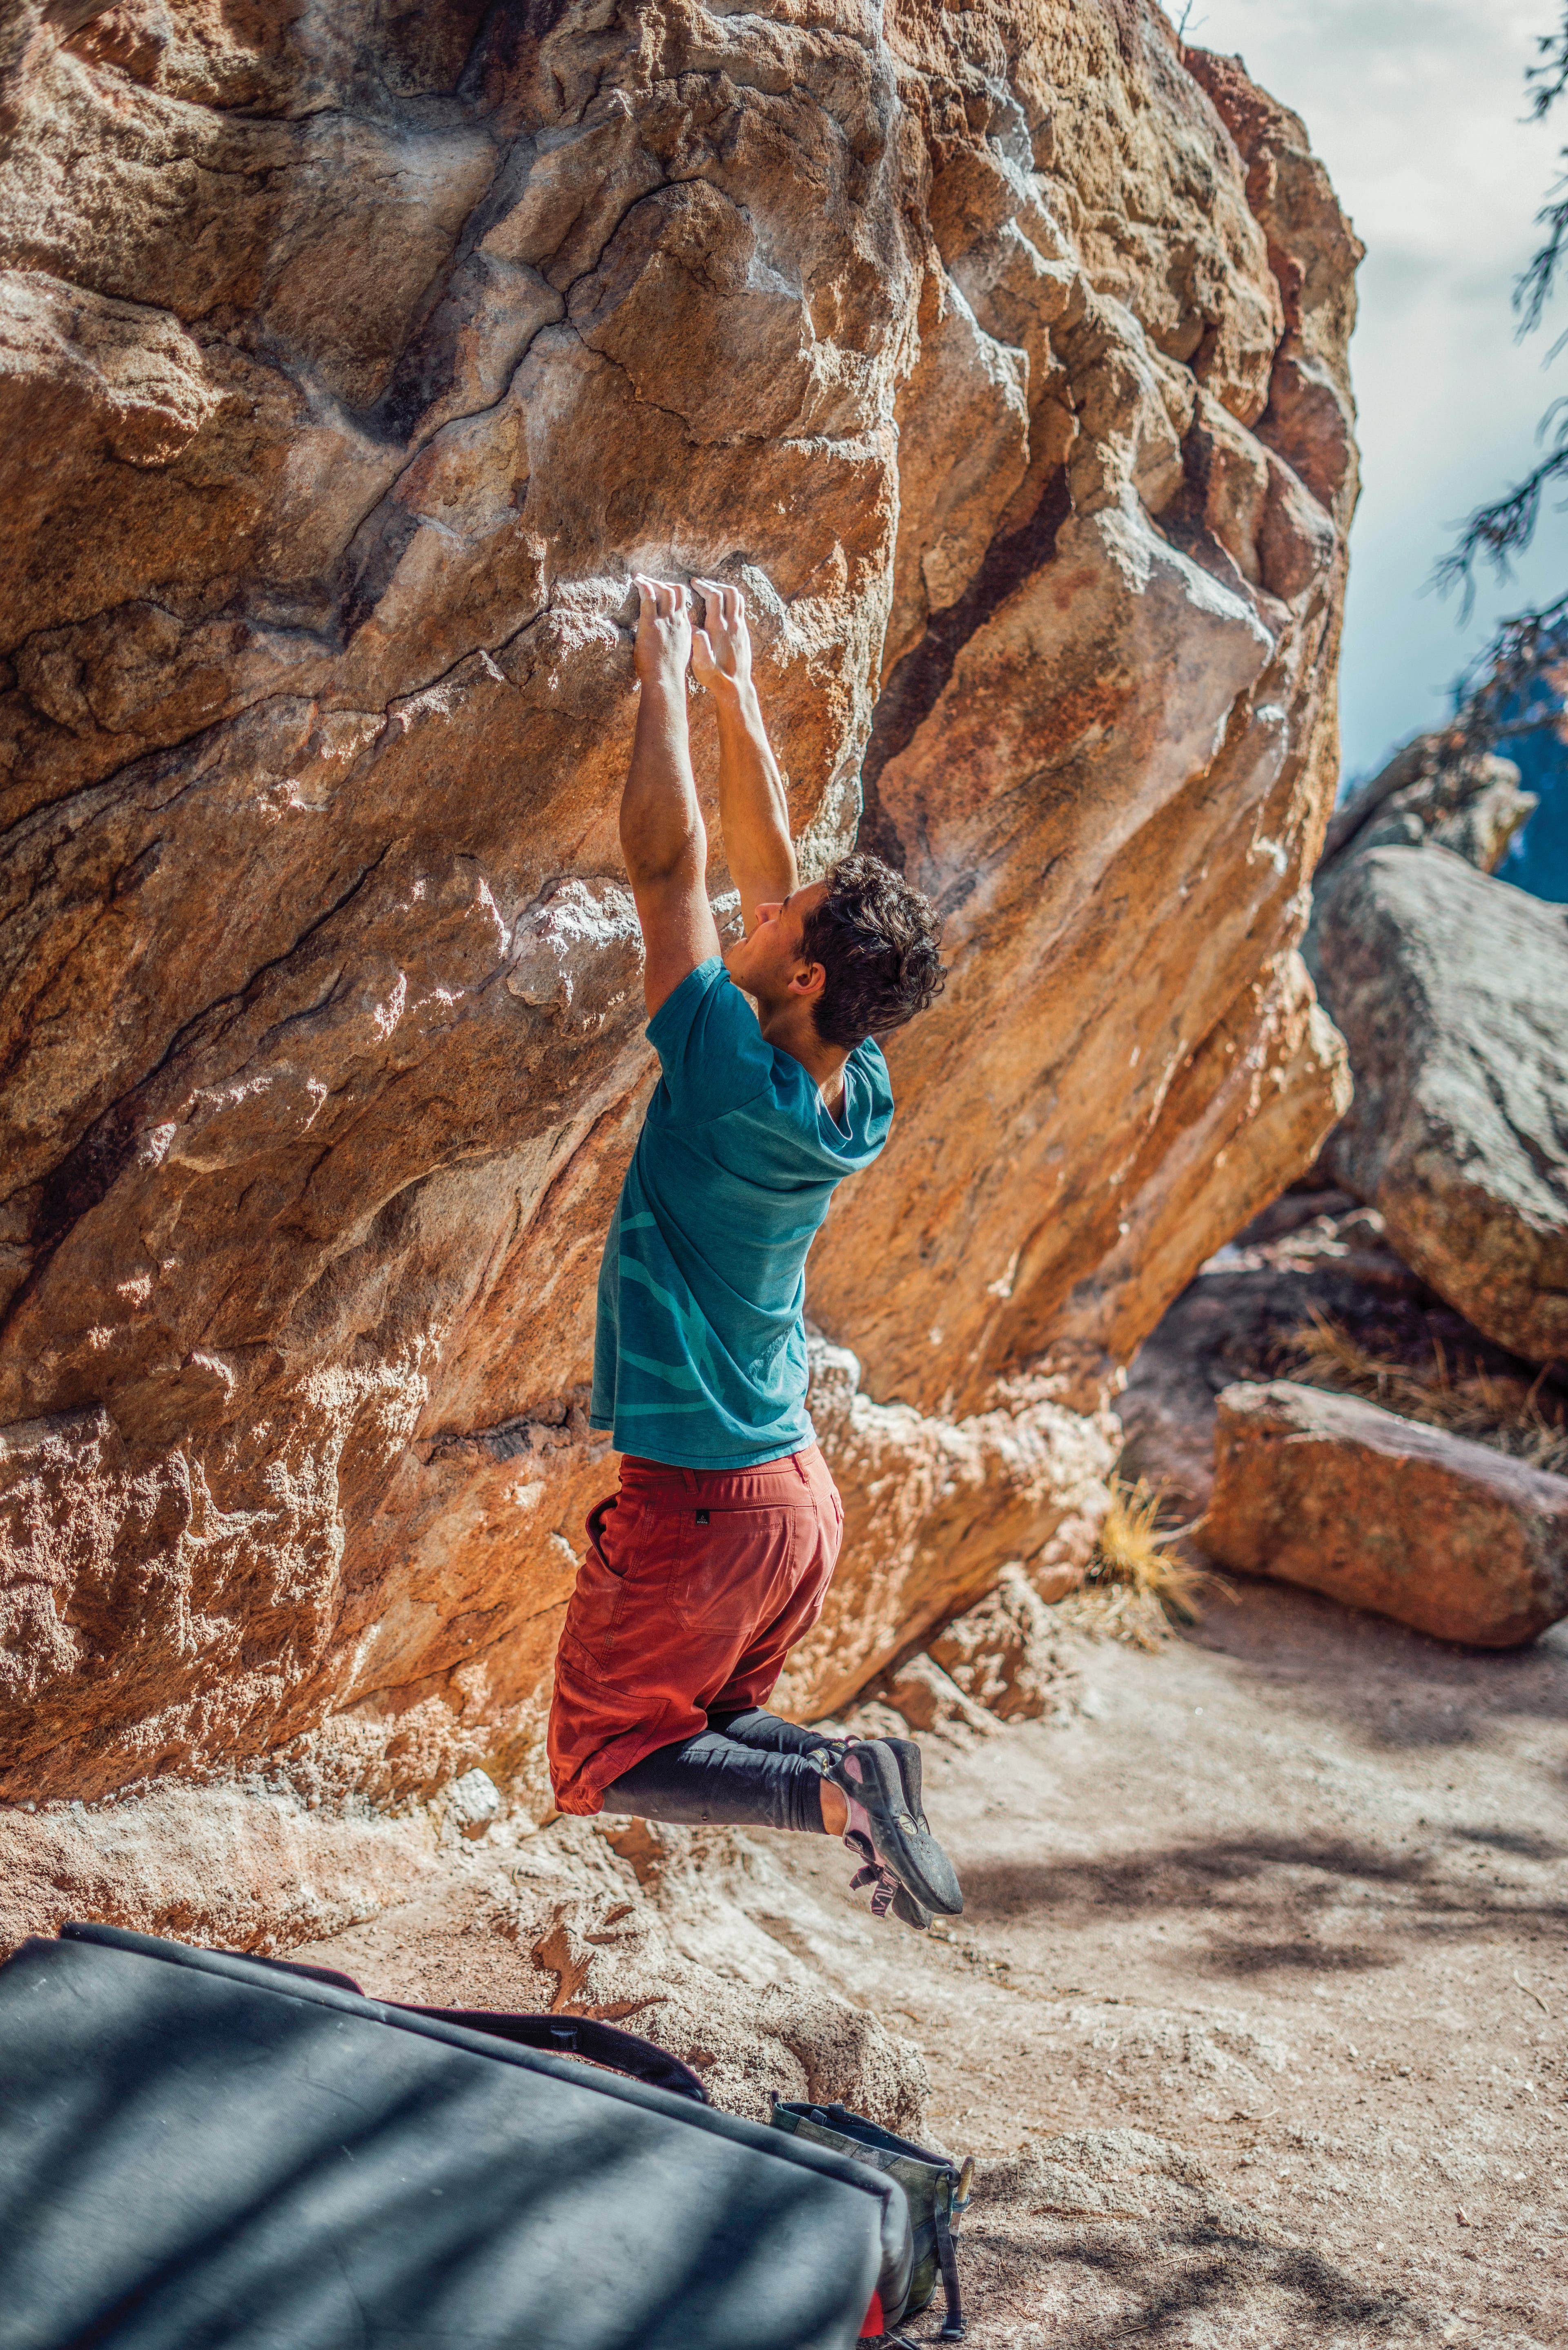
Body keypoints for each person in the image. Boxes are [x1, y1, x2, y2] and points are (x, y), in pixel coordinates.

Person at [546, 573, 961, 1930]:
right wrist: (736, 687)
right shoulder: (855, 1094)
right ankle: (863, 1766)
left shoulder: (725, 1064)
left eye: (781, 928)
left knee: (605, 1753)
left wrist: (660, 677)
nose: (760, 913)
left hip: (708, 1505)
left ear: (803, 980)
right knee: (712, 1713)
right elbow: (771, 870)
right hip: (792, 1508)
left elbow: (670, 868)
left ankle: (842, 1790)